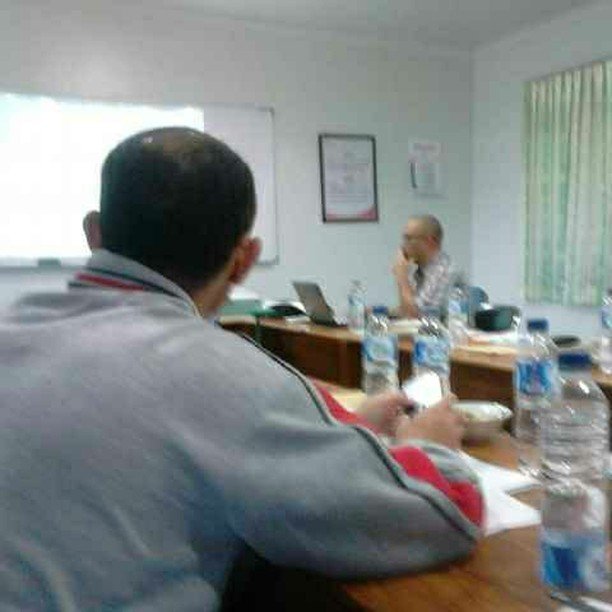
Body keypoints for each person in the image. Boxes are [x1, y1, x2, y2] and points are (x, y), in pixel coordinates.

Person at [0, 128, 482, 610]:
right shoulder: (226, 376)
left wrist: (348, 423)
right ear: (244, 260)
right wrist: (429, 445)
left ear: (94, 233)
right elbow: (444, 514)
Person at [392, 214, 452, 318]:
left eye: (408, 238)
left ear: (430, 241)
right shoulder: (420, 270)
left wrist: (401, 277)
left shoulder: (444, 271)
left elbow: (417, 316)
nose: (403, 245)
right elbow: (406, 310)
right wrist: (378, 311)